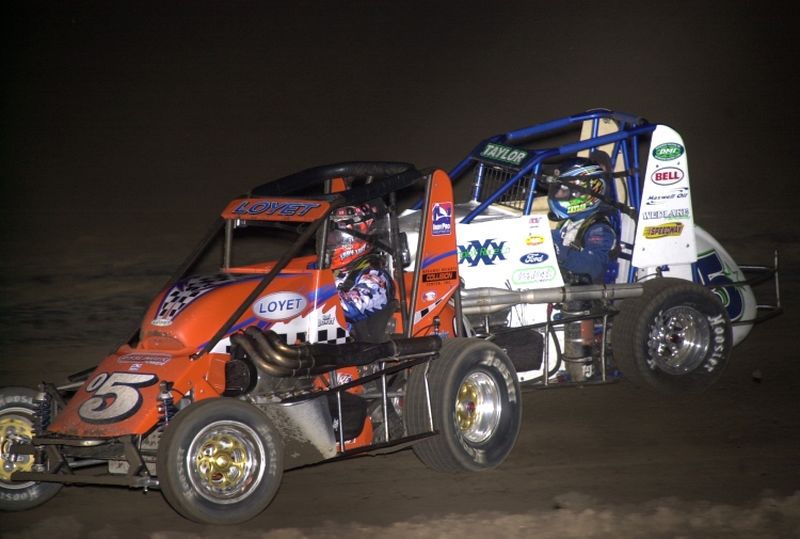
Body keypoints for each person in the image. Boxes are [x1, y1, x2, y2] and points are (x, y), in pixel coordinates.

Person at [547, 158, 617, 285]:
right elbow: (555, 240)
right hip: (561, 284)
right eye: (557, 190)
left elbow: (593, 266)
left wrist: (560, 251)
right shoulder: (568, 223)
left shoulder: (599, 228)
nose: (558, 194)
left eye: (563, 191)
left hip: (587, 296)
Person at [325, 201, 394, 325]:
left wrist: (310, 298)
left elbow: (351, 309)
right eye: (329, 236)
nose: (331, 240)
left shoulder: (376, 277)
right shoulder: (328, 271)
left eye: (335, 236)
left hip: (358, 341)